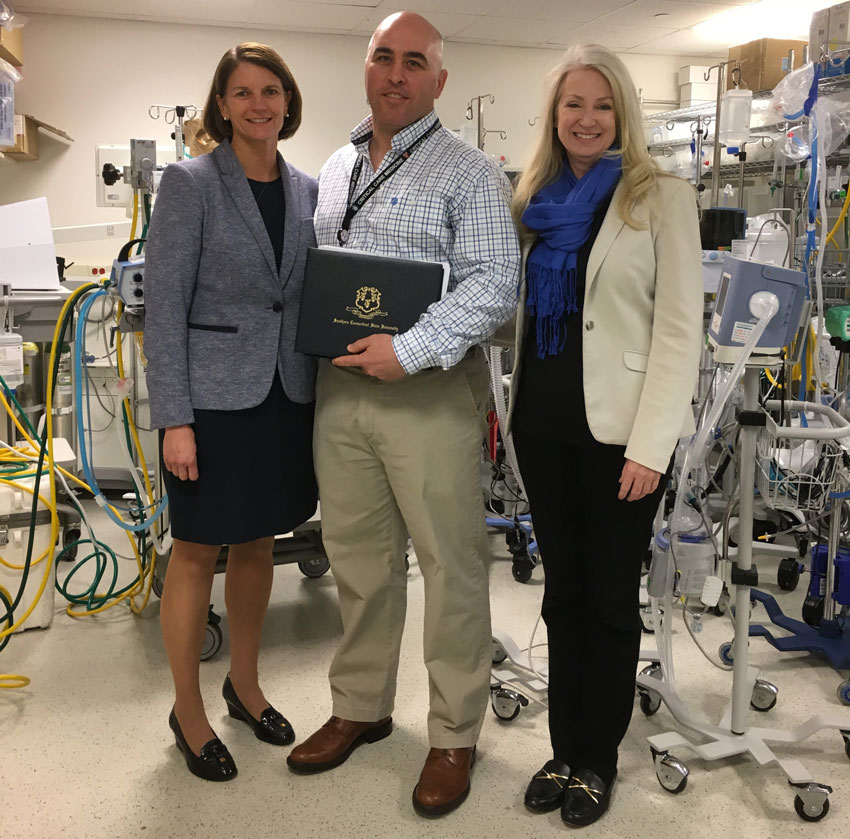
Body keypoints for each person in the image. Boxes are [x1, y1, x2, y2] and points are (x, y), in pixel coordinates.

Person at [285, 11, 521, 817]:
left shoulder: (469, 173)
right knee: (357, 558)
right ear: (366, 66)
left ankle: (454, 732)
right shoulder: (335, 163)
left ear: (439, 80)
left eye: (413, 61)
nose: (395, 73)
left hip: (427, 394)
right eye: (383, 56)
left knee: (451, 568)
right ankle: (361, 705)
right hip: (343, 393)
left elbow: (495, 285)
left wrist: (410, 349)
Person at [506, 44, 702, 826]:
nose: (586, 119)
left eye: (602, 105)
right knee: (562, 595)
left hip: (623, 438)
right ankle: (561, 749)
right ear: (554, 115)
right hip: (543, 426)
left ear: (623, 114)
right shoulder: (532, 200)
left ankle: (598, 758)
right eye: (572, 104)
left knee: (611, 599)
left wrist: (653, 446)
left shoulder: (660, 196)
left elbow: (679, 332)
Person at [144, 42, 319, 782]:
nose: (258, 104)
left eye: (270, 91)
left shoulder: (309, 189)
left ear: (288, 101)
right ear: (221, 104)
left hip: (286, 395)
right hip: (212, 403)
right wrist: (174, 417)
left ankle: (244, 685)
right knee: (195, 552)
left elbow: (306, 293)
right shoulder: (190, 185)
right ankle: (188, 708)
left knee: (257, 545)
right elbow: (164, 312)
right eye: (242, 92)